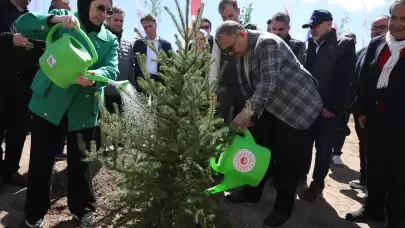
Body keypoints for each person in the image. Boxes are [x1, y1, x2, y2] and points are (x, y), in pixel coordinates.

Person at [15, 0, 119, 227]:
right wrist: (55, 19)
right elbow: (23, 24)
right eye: (99, 7)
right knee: (42, 161)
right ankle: (34, 214)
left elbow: (112, 68)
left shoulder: (110, 40)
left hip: (83, 108)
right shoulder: (66, 19)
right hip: (50, 102)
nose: (104, 14)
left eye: (108, 10)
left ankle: (82, 210)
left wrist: (94, 76)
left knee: (80, 162)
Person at [217, 21, 322, 228]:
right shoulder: (241, 53)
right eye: (225, 51)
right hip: (271, 108)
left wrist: (246, 113)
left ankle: (283, 209)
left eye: (230, 47)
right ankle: (252, 192)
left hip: (297, 108)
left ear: (242, 35)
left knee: (286, 161)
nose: (230, 53)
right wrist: (252, 117)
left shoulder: (267, 43)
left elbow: (268, 82)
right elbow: (248, 85)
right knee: (259, 149)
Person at [345, 2, 405, 227]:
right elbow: (365, 80)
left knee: (399, 174)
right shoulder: (377, 44)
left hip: (401, 125)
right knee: (375, 169)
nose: (398, 24)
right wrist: (361, 110)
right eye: (395, 17)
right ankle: (373, 210)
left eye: (404, 19)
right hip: (375, 122)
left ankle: (397, 219)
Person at [301, 10, 356, 201]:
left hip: (328, 112)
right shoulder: (310, 45)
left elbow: (345, 80)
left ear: (329, 24)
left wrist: (331, 108)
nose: (313, 29)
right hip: (309, 108)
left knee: (323, 150)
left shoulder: (344, 45)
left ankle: (317, 184)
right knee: (304, 146)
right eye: (311, 26)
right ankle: (301, 179)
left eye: (316, 25)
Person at [0, 0, 38, 192]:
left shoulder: (30, 18)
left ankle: (10, 172)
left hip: (23, 85)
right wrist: (10, 39)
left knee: (18, 130)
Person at [348, 15, 389, 190]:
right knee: (363, 144)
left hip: (386, 111)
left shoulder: (394, 53)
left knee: (383, 150)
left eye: (382, 27)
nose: (377, 31)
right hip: (361, 109)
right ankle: (364, 178)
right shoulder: (362, 52)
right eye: (374, 27)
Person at [331, 32, 357, 166]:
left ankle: (336, 153)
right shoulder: (333, 57)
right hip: (332, 100)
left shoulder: (357, 58)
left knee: (341, 127)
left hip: (347, 102)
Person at [104, 6, 135, 113]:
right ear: (107, 20)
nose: (119, 23)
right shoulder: (100, 40)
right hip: (103, 96)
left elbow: (131, 71)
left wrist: (133, 91)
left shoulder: (128, 45)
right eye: (115, 20)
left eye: (121, 20)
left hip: (123, 96)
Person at [133, 14, 172, 95]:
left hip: (161, 86)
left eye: (150, 26)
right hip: (142, 85)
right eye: (145, 27)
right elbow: (134, 65)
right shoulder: (138, 44)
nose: (148, 29)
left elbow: (170, 66)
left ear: (156, 25)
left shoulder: (166, 45)